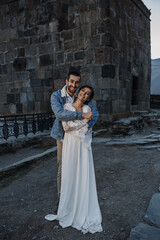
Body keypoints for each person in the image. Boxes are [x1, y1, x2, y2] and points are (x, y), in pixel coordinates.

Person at [45, 85, 103, 234]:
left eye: (88, 94)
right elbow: (66, 126)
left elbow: (87, 129)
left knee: (83, 174)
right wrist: (82, 121)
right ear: (79, 92)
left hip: (83, 146)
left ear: (89, 98)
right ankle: (68, 206)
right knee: (69, 172)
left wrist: (80, 123)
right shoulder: (67, 106)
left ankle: (83, 207)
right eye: (83, 91)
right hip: (70, 144)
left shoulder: (87, 109)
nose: (84, 94)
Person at [50, 69, 99, 208]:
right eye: (71, 81)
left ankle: (78, 197)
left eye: (77, 82)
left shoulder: (82, 94)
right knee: (63, 167)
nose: (74, 84)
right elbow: (61, 115)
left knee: (78, 166)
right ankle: (63, 199)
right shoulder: (57, 96)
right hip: (63, 136)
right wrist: (82, 117)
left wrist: (86, 127)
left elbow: (94, 114)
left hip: (79, 139)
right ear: (67, 81)